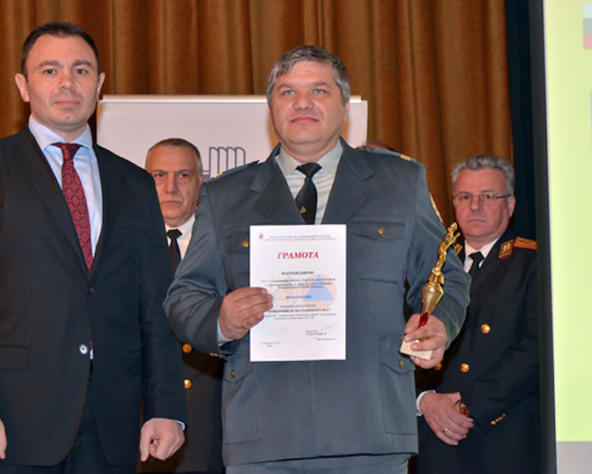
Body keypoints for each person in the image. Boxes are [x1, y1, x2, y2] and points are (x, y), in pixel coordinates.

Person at [164, 45, 469, 473]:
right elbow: (183, 297)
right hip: (263, 435)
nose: (302, 102)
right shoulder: (225, 196)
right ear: (271, 107)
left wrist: (439, 324)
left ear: (344, 107)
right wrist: (220, 320)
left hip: (369, 429)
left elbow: (445, 276)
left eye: (319, 91)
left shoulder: (399, 181)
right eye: (288, 92)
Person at [0, 22, 186, 473]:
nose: (67, 82)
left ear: (99, 85)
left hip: (113, 425)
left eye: (80, 70)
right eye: (49, 70)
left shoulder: (135, 183)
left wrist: (166, 406)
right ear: (23, 86)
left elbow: (154, 307)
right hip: (6, 423)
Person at [416, 154, 540, 473]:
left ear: (510, 204)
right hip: (436, 436)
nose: (475, 207)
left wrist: (467, 404)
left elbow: (537, 348)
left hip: (501, 435)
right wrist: (424, 400)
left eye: (488, 196)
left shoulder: (534, 262)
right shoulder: (431, 266)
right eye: (465, 197)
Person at [140, 138, 224, 474]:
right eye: (159, 176)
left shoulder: (226, 246)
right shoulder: (119, 246)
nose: (170, 187)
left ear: (201, 182)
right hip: (142, 419)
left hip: (212, 422)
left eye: (183, 176)